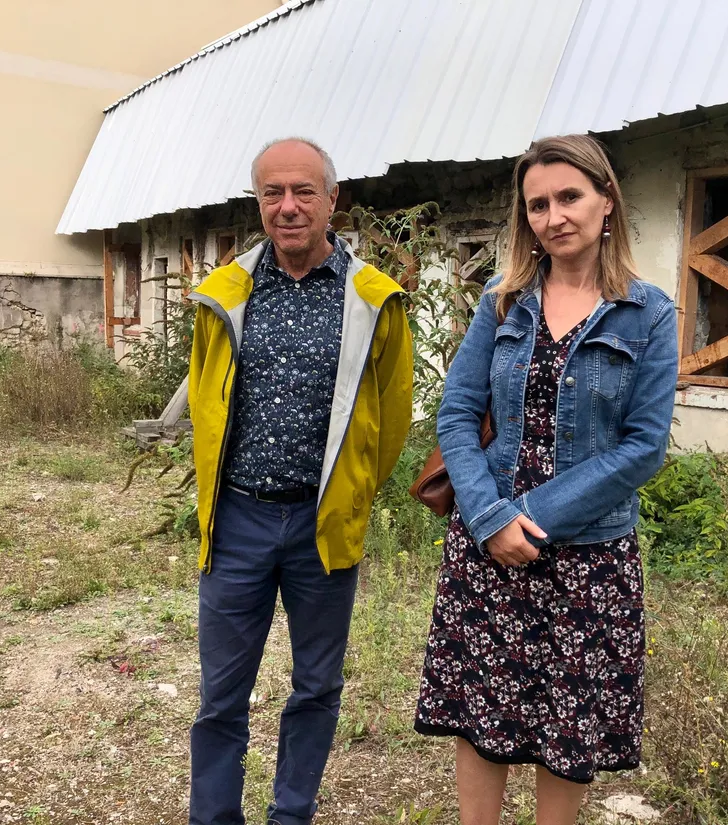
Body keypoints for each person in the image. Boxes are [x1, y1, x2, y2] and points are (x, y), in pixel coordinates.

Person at [414, 134, 677, 825]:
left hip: (589, 556)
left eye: (569, 196)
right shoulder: (502, 302)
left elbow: (644, 447)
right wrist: (487, 518)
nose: (554, 216)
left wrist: (526, 515)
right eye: (537, 204)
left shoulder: (648, 313)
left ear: (606, 200)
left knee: (570, 727)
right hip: (488, 547)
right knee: (482, 711)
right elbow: (457, 415)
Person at [186, 137, 413, 825]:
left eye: (303, 192)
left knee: (316, 685)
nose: (287, 207)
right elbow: (204, 399)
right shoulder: (225, 293)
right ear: (259, 203)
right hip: (238, 523)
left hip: (321, 524)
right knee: (222, 694)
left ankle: (292, 815)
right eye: (272, 194)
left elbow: (394, 417)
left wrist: (351, 496)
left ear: (332, 200)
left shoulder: (373, 299)